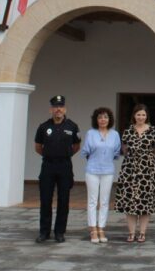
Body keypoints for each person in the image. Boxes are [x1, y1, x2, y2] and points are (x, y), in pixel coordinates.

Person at [34, 95, 81, 243]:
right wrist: (51, 155)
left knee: (63, 200)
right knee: (45, 200)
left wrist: (64, 155)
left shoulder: (72, 126)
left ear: (65, 109)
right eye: (55, 107)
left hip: (65, 166)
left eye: (60, 107)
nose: (58, 109)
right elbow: (38, 147)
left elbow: (76, 146)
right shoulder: (43, 127)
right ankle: (44, 232)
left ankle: (60, 232)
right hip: (48, 165)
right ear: (51, 110)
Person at [114, 103, 155, 242]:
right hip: (130, 170)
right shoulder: (128, 131)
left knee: (145, 201)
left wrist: (147, 160)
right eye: (138, 114)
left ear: (146, 116)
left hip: (148, 170)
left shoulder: (153, 130)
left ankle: (142, 232)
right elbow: (124, 149)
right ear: (134, 116)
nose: (141, 117)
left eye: (143, 114)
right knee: (130, 202)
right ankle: (131, 232)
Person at [80, 106, 121, 244]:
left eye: (105, 117)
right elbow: (86, 151)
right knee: (92, 201)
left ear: (110, 119)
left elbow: (116, 153)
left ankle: (101, 228)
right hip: (92, 170)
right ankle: (93, 229)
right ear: (96, 120)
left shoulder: (115, 134)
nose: (103, 120)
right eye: (100, 117)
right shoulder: (90, 133)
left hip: (108, 171)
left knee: (104, 201)